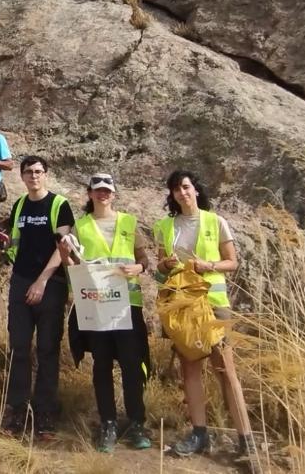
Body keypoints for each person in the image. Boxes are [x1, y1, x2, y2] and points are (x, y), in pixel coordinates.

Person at [154, 170, 257, 467]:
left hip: (213, 303)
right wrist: (165, 263)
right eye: (175, 189)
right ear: (172, 195)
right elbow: (161, 270)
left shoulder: (216, 221)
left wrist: (207, 264)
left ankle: (245, 438)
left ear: (196, 190)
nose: (181, 193)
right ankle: (200, 434)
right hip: (182, 304)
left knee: (225, 368)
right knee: (190, 369)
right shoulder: (165, 225)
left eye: (185, 187)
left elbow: (232, 262)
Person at [65, 174, 151, 452]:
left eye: (107, 190)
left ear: (113, 194)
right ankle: (108, 423)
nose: (103, 194)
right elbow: (73, 263)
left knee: (131, 366)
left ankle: (136, 422)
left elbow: (143, 259)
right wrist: (66, 253)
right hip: (97, 307)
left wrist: (138, 269)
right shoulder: (81, 226)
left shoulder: (128, 222)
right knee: (101, 367)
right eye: (97, 190)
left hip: (128, 304)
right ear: (89, 194)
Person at [0, 155, 75, 435]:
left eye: (39, 171)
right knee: (18, 347)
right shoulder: (18, 205)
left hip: (51, 283)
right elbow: (15, 244)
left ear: (46, 174)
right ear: (21, 176)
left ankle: (45, 412)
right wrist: (3, 243)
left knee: (47, 349)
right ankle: (17, 409)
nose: (34, 176)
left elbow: (62, 249)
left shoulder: (59, 205)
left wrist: (42, 281)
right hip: (20, 282)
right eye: (29, 172)